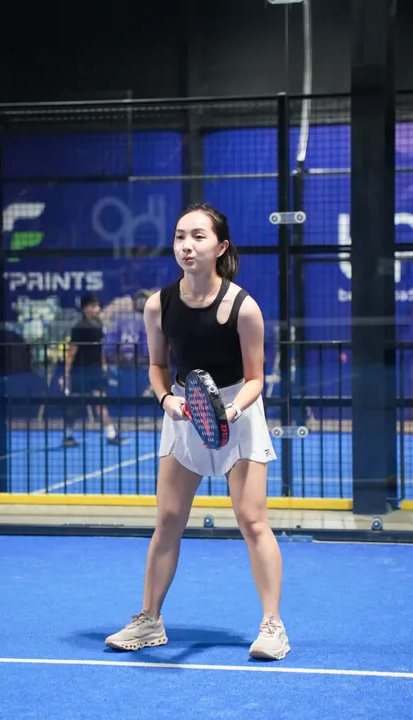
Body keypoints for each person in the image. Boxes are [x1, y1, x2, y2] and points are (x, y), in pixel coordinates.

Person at [104, 203, 289, 661]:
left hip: (239, 413)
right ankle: (150, 620)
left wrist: (230, 411)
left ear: (220, 247)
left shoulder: (244, 307)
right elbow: (157, 366)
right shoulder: (158, 305)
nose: (187, 245)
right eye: (180, 236)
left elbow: (255, 378)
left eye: (198, 236)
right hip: (184, 411)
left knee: (253, 520)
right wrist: (167, 400)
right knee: (168, 520)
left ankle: (273, 626)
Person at [63, 294, 128, 446]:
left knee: (101, 403)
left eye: (97, 306)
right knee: (76, 406)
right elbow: (71, 352)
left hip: (96, 372)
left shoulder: (99, 326)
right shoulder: (79, 327)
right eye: (93, 306)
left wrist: (104, 366)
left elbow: (100, 350)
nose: (97, 309)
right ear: (85, 309)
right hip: (80, 372)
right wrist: (66, 374)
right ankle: (68, 435)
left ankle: (111, 435)